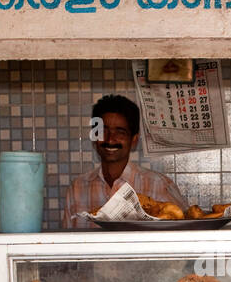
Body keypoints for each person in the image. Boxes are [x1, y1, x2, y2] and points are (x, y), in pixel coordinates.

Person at [62, 95, 188, 229]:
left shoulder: (159, 186)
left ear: (134, 139)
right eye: (103, 131)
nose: (110, 140)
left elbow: (186, 235)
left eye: (120, 132)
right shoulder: (77, 188)